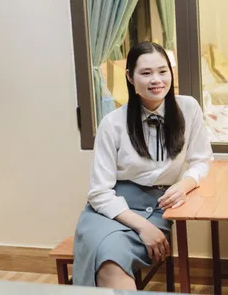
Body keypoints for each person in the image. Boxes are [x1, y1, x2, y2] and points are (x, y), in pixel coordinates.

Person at [72, 42, 213, 289]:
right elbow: (99, 193)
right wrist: (144, 227)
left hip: (159, 206)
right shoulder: (112, 123)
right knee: (109, 261)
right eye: (146, 73)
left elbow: (201, 160)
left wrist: (184, 185)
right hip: (112, 210)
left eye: (162, 71)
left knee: (111, 259)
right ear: (130, 77)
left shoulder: (189, 108)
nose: (156, 80)